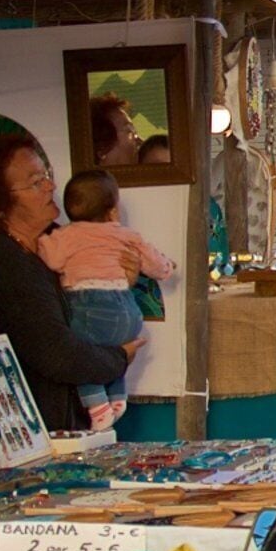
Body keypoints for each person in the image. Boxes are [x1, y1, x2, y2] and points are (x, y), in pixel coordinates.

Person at [0, 132, 135, 438]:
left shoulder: (50, 242)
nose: (51, 186)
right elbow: (57, 354)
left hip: (63, 430)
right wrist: (119, 358)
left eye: (46, 175)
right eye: (36, 182)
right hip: (24, 441)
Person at [37, 169, 174, 428]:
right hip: (128, 313)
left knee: (83, 350)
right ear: (112, 211)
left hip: (91, 309)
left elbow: (52, 260)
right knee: (111, 349)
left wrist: (42, 242)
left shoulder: (66, 236)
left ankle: (97, 405)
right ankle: (117, 396)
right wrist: (168, 267)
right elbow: (156, 265)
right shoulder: (126, 235)